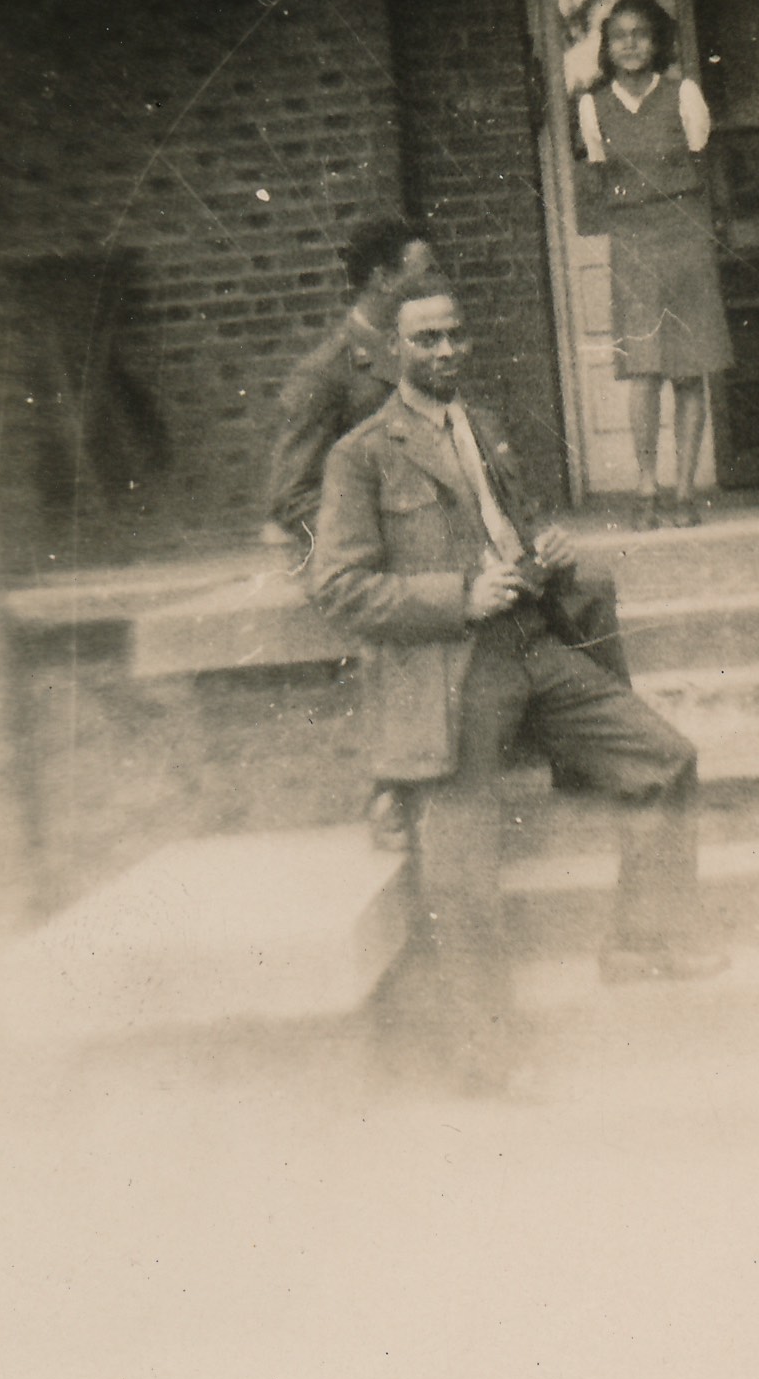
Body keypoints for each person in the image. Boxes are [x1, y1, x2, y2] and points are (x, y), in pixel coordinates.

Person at [311, 280, 728, 1091]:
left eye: (454, 336)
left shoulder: (486, 428)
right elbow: (340, 589)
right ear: (396, 351)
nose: (444, 352)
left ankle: (641, 942)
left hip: (533, 646)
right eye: (426, 339)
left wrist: (545, 549)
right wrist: (454, 597)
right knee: (462, 873)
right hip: (452, 671)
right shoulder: (361, 454)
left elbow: (514, 523)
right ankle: (490, 1061)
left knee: (664, 757)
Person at [575, 0, 734, 528]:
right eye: (619, 36)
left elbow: (701, 162)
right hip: (634, 243)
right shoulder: (592, 107)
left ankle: (685, 492)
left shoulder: (683, 93)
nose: (631, 44)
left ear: (657, 40)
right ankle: (646, 489)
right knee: (643, 372)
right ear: (607, 47)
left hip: (684, 238)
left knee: (689, 371)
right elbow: (596, 182)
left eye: (641, 34)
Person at [264, 215, 436, 551]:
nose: (436, 285)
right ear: (384, 279)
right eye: (426, 274)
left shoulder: (428, 351)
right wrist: (378, 540)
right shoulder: (324, 374)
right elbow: (293, 496)